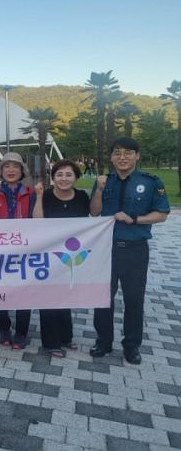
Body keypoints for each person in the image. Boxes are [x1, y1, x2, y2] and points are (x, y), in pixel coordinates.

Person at [89, 137, 169, 364]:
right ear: (111, 157)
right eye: (117, 153)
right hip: (105, 249)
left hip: (135, 250)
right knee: (103, 297)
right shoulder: (104, 181)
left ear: (137, 156)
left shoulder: (151, 182)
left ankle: (131, 345)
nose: (122, 157)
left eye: (127, 153)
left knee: (134, 299)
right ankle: (103, 341)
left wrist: (134, 219)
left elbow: (162, 214)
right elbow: (94, 212)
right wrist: (99, 190)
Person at [35, 159, 90, 358]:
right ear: (53, 177)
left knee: (66, 295)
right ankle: (51, 342)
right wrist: (39, 196)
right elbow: (37, 221)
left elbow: (95, 214)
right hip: (49, 254)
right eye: (59, 174)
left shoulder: (82, 197)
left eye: (69, 174)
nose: (64, 179)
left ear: (76, 177)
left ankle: (66, 337)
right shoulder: (46, 196)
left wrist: (99, 191)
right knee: (48, 297)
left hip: (71, 255)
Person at [0, 152, 42, 350]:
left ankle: (21, 332)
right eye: (7, 166)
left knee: (24, 291)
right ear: (1, 171)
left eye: (15, 166)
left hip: (24, 249)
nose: (11, 170)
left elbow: (37, 221)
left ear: (22, 171)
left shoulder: (31, 193)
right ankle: (4, 328)